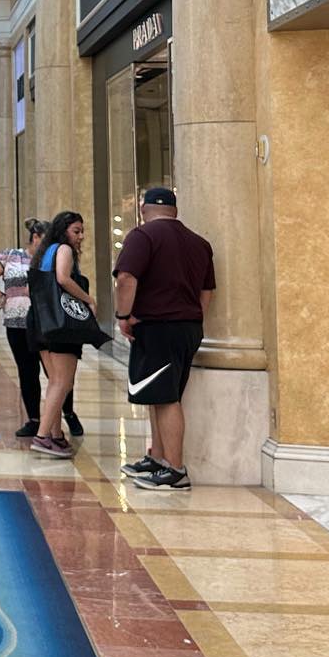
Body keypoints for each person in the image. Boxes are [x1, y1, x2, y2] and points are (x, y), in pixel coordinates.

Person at [114, 187, 216, 490]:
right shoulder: (199, 243)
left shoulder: (142, 236)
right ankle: (157, 458)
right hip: (188, 326)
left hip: (157, 326)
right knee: (158, 393)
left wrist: (123, 315)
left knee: (167, 398)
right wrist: (191, 317)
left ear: (143, 209)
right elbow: (207, 291)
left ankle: (175, 470)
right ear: (175, 210)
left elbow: (126, 278)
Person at [0, 220, 82, 440]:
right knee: (28, 373)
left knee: (58, 375)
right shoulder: (11, 256)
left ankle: (68, 413)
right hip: (18, 325)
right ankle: (35, 420)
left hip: (47, 326)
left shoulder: (53, 258)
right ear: (35, 237)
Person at [27, 210, 95, 457]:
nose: (81, 236)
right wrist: (89, 299)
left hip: (40, 321)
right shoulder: (64, 250)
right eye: (76, 231)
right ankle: (43, 436)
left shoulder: (45, 251)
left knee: (55, 382)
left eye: (82, 231)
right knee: (63, 382)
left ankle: (55, 434)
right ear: (63, 231)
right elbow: (64, 279)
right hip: (61, 324)